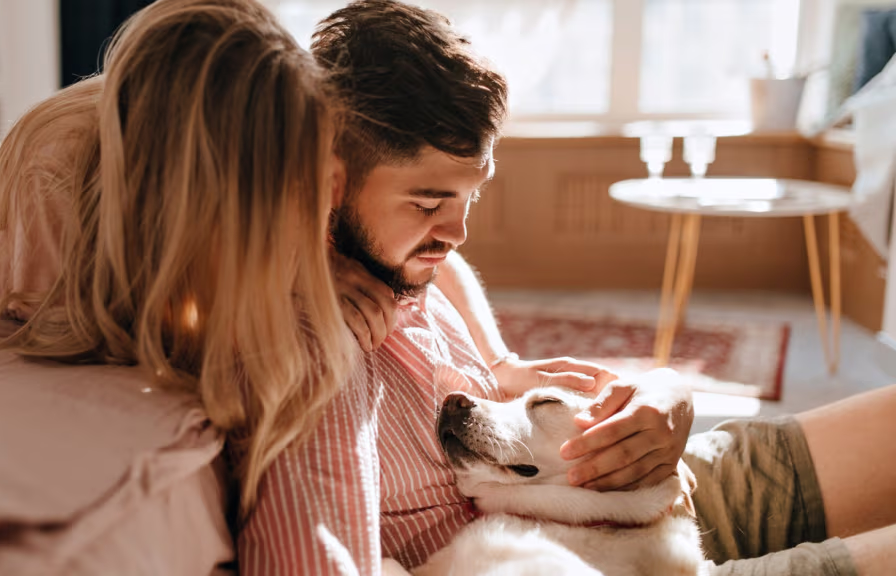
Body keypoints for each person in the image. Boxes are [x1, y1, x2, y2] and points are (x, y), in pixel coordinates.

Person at [236, 1, 896, 575]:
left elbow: (468, 306)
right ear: (328, 181)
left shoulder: (396, 256)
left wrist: (662, 395)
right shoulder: (304, 354)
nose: (458, 231)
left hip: (641, 490)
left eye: (471, 194)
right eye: (428, 200)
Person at [0, 0, 354, 519]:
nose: (327, 195)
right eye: (301, 181)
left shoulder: (131, 163)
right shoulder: (59, 240)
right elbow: (217, 366)